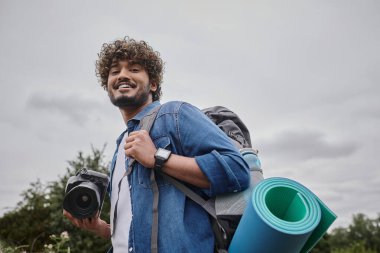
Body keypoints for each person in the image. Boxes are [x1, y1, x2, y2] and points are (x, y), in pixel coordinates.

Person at [63, 37, 250, 253]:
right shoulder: (119, 149)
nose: (122, 75)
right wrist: (101, 228)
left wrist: (158, 158)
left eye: (133, 69)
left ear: (152, 83)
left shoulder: (174, 115)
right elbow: (133, 229)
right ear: (108, 86)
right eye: (114, 72)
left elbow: (237, 169)